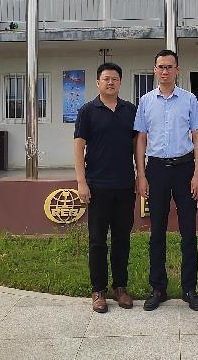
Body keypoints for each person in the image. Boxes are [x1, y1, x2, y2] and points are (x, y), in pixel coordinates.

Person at [134, 49, 198, 311]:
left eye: (169, 67)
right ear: (155, 70)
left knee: (189, 231)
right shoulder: (145, 101)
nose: (165, 71)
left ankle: (189, 289)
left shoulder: (189, 99)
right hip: (156, 169)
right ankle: (158, 288)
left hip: (184, 168)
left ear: (177, 70)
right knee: (157, 232)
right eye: (161, 67)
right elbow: (141, 139)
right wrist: (141, 175)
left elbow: (197, 137)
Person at [74, 62, 138, 313]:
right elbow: (79, 147)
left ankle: (120, 287)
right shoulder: (87, 111)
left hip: (125, 185)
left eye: (115, 79)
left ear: (120, 82)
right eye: (106, 79)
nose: (110, 82)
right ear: (98, 83)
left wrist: (141, 175)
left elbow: (138, 146)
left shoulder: (130, 110)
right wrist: (81, 182)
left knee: (122, 239)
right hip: (97, 185)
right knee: (97, 241)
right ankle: (98, 290)